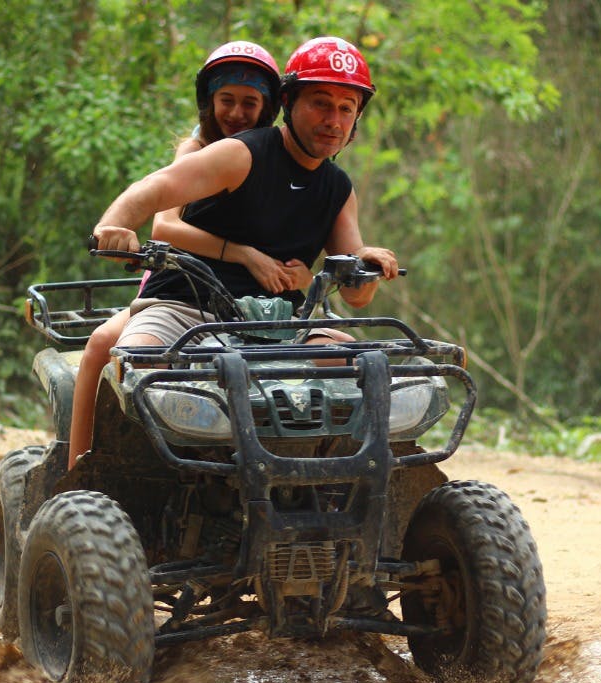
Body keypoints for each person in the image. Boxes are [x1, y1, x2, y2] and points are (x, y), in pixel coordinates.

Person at [72, 36, 399, 468]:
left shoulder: (338, 189)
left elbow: (355, 294)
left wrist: (367, 265)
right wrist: (113, 224)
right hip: (184, 309)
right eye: (321, 103)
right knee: (137, 364)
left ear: (357, 119)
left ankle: (335, 483)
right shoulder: (242, 153)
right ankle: (84, 477)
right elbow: (155, 188)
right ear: (289, 103)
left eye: (346, 108)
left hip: (281, 324)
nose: (333, 120)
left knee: (365, 371)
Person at [70, 40, 287, 468]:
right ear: (209, 102)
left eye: (250, 102)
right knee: (100, 345)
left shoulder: (274, 158)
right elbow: (165, 227)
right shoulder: (196, 148)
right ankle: (78, 467)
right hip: (180, 287)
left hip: (246, 301)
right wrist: (245, 255)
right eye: (227, 100)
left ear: (267, 107)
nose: (237, 113)